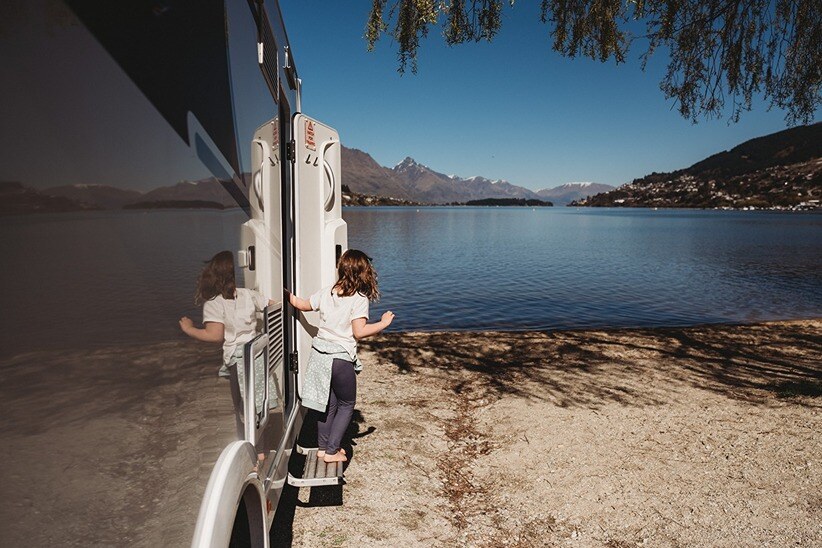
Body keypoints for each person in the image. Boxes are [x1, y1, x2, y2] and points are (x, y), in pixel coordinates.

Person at [287, 249, 394, 464]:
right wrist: (383, 323)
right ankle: (331, 451)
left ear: (343, 269)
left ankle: (323, 447)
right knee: (347, 404)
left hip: (320, 355)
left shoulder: (328, 292)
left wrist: (284, 293)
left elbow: (301, 304)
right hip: (339, 358)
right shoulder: (359, 298)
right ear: (363, 272)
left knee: (328, 405)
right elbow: (359, 332)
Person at [179, 251, 272, 463]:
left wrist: (189, 329)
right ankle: (261, 453)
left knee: (242, 409)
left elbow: (215, 335)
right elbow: (272, 305)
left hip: (238, 359)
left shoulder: (214, 303)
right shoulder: (248, 294)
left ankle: (248, 456)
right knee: (258, 404)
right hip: (256, 355)